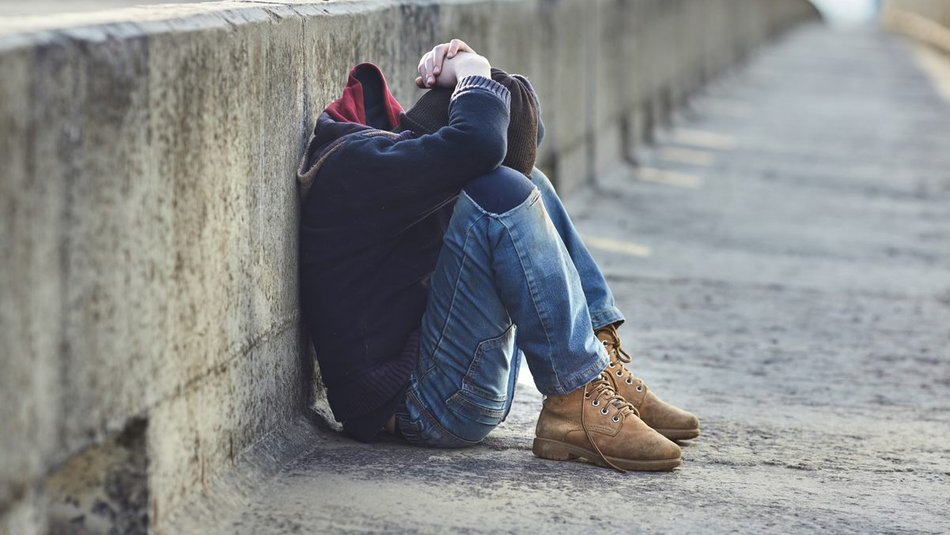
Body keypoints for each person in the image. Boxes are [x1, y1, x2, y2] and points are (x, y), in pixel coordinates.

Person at [297, 40, 699, 472]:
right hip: (424, 408)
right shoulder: (360, 165)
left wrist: (479, 79)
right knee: (500, 192)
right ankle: (573, 401)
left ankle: (597, 369)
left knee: (530, 185)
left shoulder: (405, 154)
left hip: (457, 381)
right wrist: (474, 69)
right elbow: (481, 144)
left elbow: (506, 147)